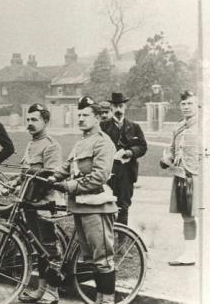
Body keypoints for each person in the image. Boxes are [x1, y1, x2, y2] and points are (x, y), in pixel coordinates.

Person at [48, 96, 117, 304]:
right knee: (90, 258)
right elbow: (68, 166)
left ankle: (108, 300)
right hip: (80, 206)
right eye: (79, 115)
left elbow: (99, 176)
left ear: (97, 118)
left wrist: (69, 186)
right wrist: (52, 178)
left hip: (97, 206)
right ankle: (99, 298)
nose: (80, 119)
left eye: (85, 115)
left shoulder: (103, 142)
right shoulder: (81, 143)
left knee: (102, 258)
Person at [15, 104, 63, 304]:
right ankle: (40, 289)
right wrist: (15, 182)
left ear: (45, 121)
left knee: (49, 246)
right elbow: (25, 171)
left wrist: (29, 181)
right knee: (37, 247)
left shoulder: (51, 145)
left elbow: (50, 176)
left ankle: (53, 290)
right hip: (29, 201)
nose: (30, 124)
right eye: (28, 120)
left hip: (45, 202)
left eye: (34, 120)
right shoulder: (31, 144)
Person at [160, 90, 200, 266]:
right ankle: (190, 253)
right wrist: (165, 160)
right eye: (183, 104)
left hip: (200, 177)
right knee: (187, 216)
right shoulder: (178, 127)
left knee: (200, 215)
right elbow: (171, 150)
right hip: (181, 176)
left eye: (189, 103)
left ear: (197, 105)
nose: (186, 107)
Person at [100, 92, 147, 225]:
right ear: (111, 108)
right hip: (107, 171)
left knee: (124, 206)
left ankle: (122, 239)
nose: (118, 110)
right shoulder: (103, 126)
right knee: (105, 203)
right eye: (115, 107)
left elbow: (143, 146)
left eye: (121, 106)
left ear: (125, 107)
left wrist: (131, 152)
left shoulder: (134, 127)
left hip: (126, 173)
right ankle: (108, 236)